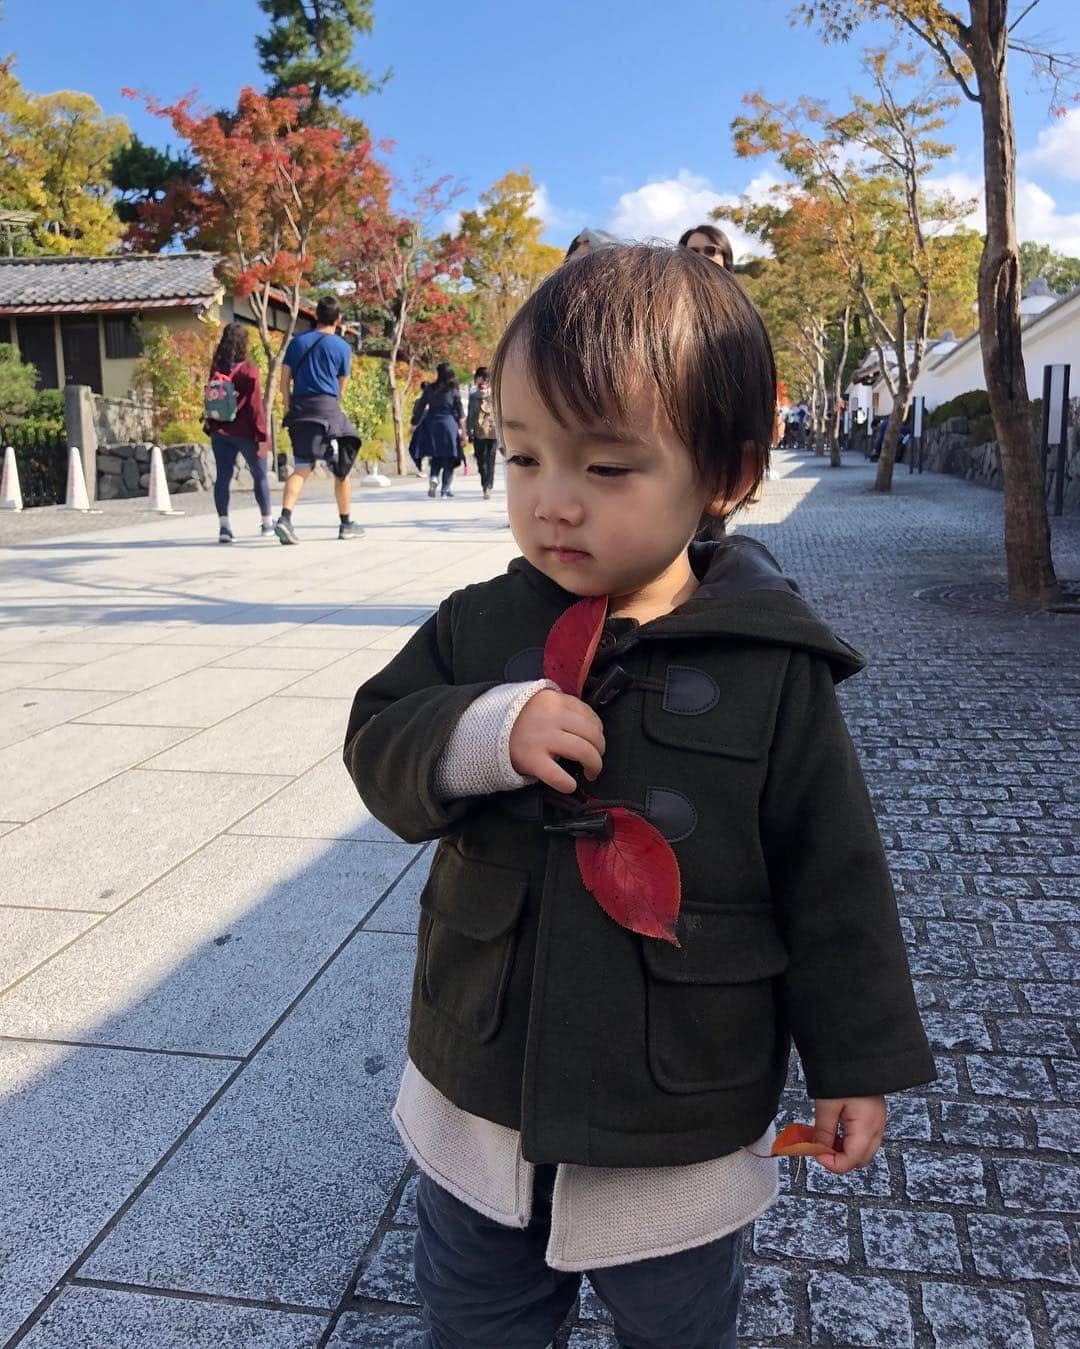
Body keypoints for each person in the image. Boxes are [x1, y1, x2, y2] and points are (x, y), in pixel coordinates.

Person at [343, 244, 934, 1349]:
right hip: (483, 1087)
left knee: (676, 1323)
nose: (553, 503)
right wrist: (482, 730)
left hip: (678, 1098)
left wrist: (859, 1063)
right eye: (523, 457)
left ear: (727, 474)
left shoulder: (775, 666)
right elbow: (378, 742)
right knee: (475, 1317)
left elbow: (835, 878)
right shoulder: (480, 623)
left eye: (606, 468)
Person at [274, 294, 364, 544]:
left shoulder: (296, 343)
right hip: (327, 411)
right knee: (342, 466)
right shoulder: (342, 347)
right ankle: (346, 523)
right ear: (338, 319)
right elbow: (340, 386)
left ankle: (285, 518)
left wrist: (289, 405)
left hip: (300, 409)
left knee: (302, 466)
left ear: (315, 316)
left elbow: (284, 381)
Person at [202, 322, 272, 543]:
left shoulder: (217, 368)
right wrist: (262, 437)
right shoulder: (249, 370)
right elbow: (255, 407)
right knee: (259, 475)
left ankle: (224, 526)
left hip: (219, 430)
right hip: (245, 432)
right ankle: (267, 522)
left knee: (222, 477)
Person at [409, 362, 466, 498]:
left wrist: (414, 423)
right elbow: (461, 414)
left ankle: (434, 478)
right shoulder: (453, 391)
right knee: (449, 458)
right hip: (449, 426)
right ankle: (445, 489)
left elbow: (420, 406)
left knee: (436, 456)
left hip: (431, 425)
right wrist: (464, 433)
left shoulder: (430, 389)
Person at [466, 366, 499, 500]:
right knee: (489, 459)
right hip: (493, 431)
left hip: (480, 431)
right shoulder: (495, 393)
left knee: (482, 460)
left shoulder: (475, 395)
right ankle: (488, 485)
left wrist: (469, 431)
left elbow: (471, 415)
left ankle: (486, 485)